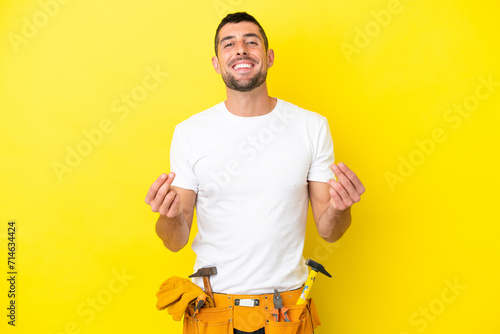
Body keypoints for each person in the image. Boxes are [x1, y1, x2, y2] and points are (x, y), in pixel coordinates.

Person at [145, 12, 365, 334]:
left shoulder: (310, 126)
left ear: (269, 57)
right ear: (217, 63)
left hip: (285, 312)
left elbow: (330, 230)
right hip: (213, 310)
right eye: (229, 44)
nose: (241, 50)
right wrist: (167, 214)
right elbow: (175, 239)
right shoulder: (190, 132)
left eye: (252, 42)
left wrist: (341, 207)